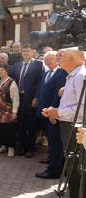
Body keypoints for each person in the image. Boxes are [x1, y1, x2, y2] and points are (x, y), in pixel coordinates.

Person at [43, 48, 86, 198]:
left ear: (70, 58)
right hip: (70, 126)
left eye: (61, 56)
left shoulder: (81, 76)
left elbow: (83, 110)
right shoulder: (73, 76)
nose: (58, 58)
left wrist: (58, 112)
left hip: (76, 128)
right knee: (73, 169)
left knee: (77, 169)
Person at [34, 50, 67, 179]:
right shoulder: (58, 72)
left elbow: (59, 97)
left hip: (55, 115)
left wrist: (54, 112)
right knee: (55, 143)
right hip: (49, 114)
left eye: (60, 56)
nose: (57, 58)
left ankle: (53, 171)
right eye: (56, 56)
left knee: (56, 144)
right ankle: (60, 168)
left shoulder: (63, 73)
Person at [12, 44, 44, 158]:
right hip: (18, 98)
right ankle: (23, 147)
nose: (25, 53)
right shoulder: (17, 65)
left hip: (30, 98)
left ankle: (31, 149)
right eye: (23, 51)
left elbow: (41, 82)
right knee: (20, 124)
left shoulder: (39, 64)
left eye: (27, 51)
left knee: (31, 124)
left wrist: (36, 97)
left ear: (33, 52)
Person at [0, 65, 19, 158]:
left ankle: (11, 148)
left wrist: (14, 112)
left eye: (2, 70)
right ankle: (4, 146)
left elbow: (15, 98)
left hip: (8, 111)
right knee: (2, 129)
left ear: (7, 71)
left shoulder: (11, 82)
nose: (0, 72)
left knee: (10, 130)